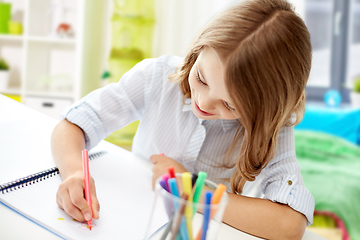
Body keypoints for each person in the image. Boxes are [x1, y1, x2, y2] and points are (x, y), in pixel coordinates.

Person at [51, 0, 314, 239]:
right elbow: (73, 124)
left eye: (229, 104)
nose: (203, 102)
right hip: (129, 218)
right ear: (199, 50)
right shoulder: (157, 76)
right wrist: (74, 172)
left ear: (265, 109)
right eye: (201, 78)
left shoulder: (272, 127)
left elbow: (289, 225)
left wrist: (191, 190)